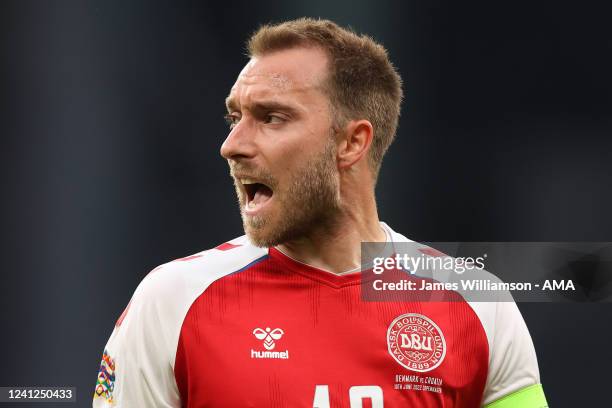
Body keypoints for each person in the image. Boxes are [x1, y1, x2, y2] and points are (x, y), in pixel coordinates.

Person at [93, 18, 547, 407]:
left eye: (271, 118)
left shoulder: (476, 304)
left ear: (352, 143)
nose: (232, 146)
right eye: (235, 119)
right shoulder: (172, 301)